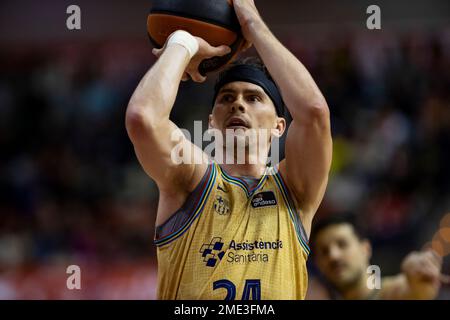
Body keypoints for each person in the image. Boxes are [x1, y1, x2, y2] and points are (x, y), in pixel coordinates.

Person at [125, 0, 332, 299]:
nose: (238, 103)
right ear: (211, 123)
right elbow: (142, 118)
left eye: (254, 98)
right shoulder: (191, 180)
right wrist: (182, 43)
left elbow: (314, 112)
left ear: (279, 126)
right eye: (226, 98)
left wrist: (253, 25)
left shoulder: (295, 190)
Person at [308, 215, 447, 300]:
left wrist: (417, 275)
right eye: (324, 252)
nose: (333, 255)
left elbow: (419, 291)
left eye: (342, 244)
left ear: (365, 249)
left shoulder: (392, 292)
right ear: (318, 264)